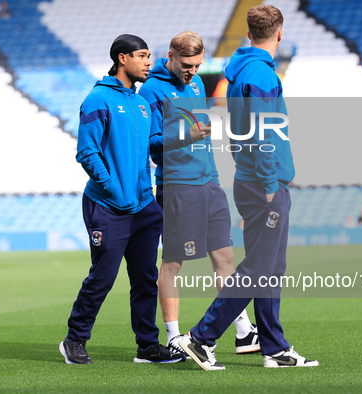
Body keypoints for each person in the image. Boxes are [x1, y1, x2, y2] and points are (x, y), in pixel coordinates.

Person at [179, 5, 319, 370]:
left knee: (270, 267)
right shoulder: (261, 75)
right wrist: (272, 182)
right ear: (280, 32)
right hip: (263, 182)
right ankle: (201, 337)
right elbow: (263, 131)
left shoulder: (243, 69)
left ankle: (274, 348)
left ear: (250, 31)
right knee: (259, 267)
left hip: (250, 178)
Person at [60, 34, 209, 365]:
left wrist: (145, 196)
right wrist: (112, 187)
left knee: (145, 279)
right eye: (142, 56)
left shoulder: (141, 104)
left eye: (149, 57)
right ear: (122, 58)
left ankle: (147, 347)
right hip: (107, 206)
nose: (148, 62)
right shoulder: (97, 99)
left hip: (144, 208)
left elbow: (146, 154)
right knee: (103, 277)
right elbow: (87, 152)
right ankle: (75, 338)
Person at [138, 31, 259, 356]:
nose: (192, 71)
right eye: (187, 65)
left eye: (197, 65)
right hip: (177, 185)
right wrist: (186, 136)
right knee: (173, 264)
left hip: (209, 182)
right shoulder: (151, 89)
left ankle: (243, 331)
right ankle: (174, 337)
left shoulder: (196, 84)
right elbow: (151, 146)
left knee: (225, 258)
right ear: (172, 56)